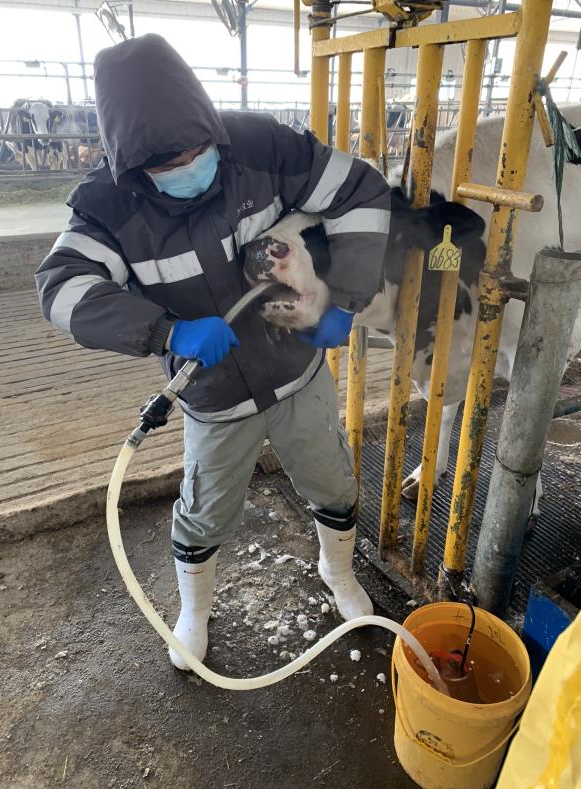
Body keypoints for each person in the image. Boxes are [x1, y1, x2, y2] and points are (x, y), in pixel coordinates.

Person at [36, 34, 481, 671]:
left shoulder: (260, 147)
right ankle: (194, 611)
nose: (192, 164)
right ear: (132, 165)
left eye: (199, 150)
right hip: (214, 393)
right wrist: (167, 332)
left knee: (332, 480)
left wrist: (346, 300)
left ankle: (339, 574)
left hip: (297, 370)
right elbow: (61, 289)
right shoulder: (109, 207)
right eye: (169, 162)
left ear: (208, 124)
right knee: (206, 511)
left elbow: (358, 191)